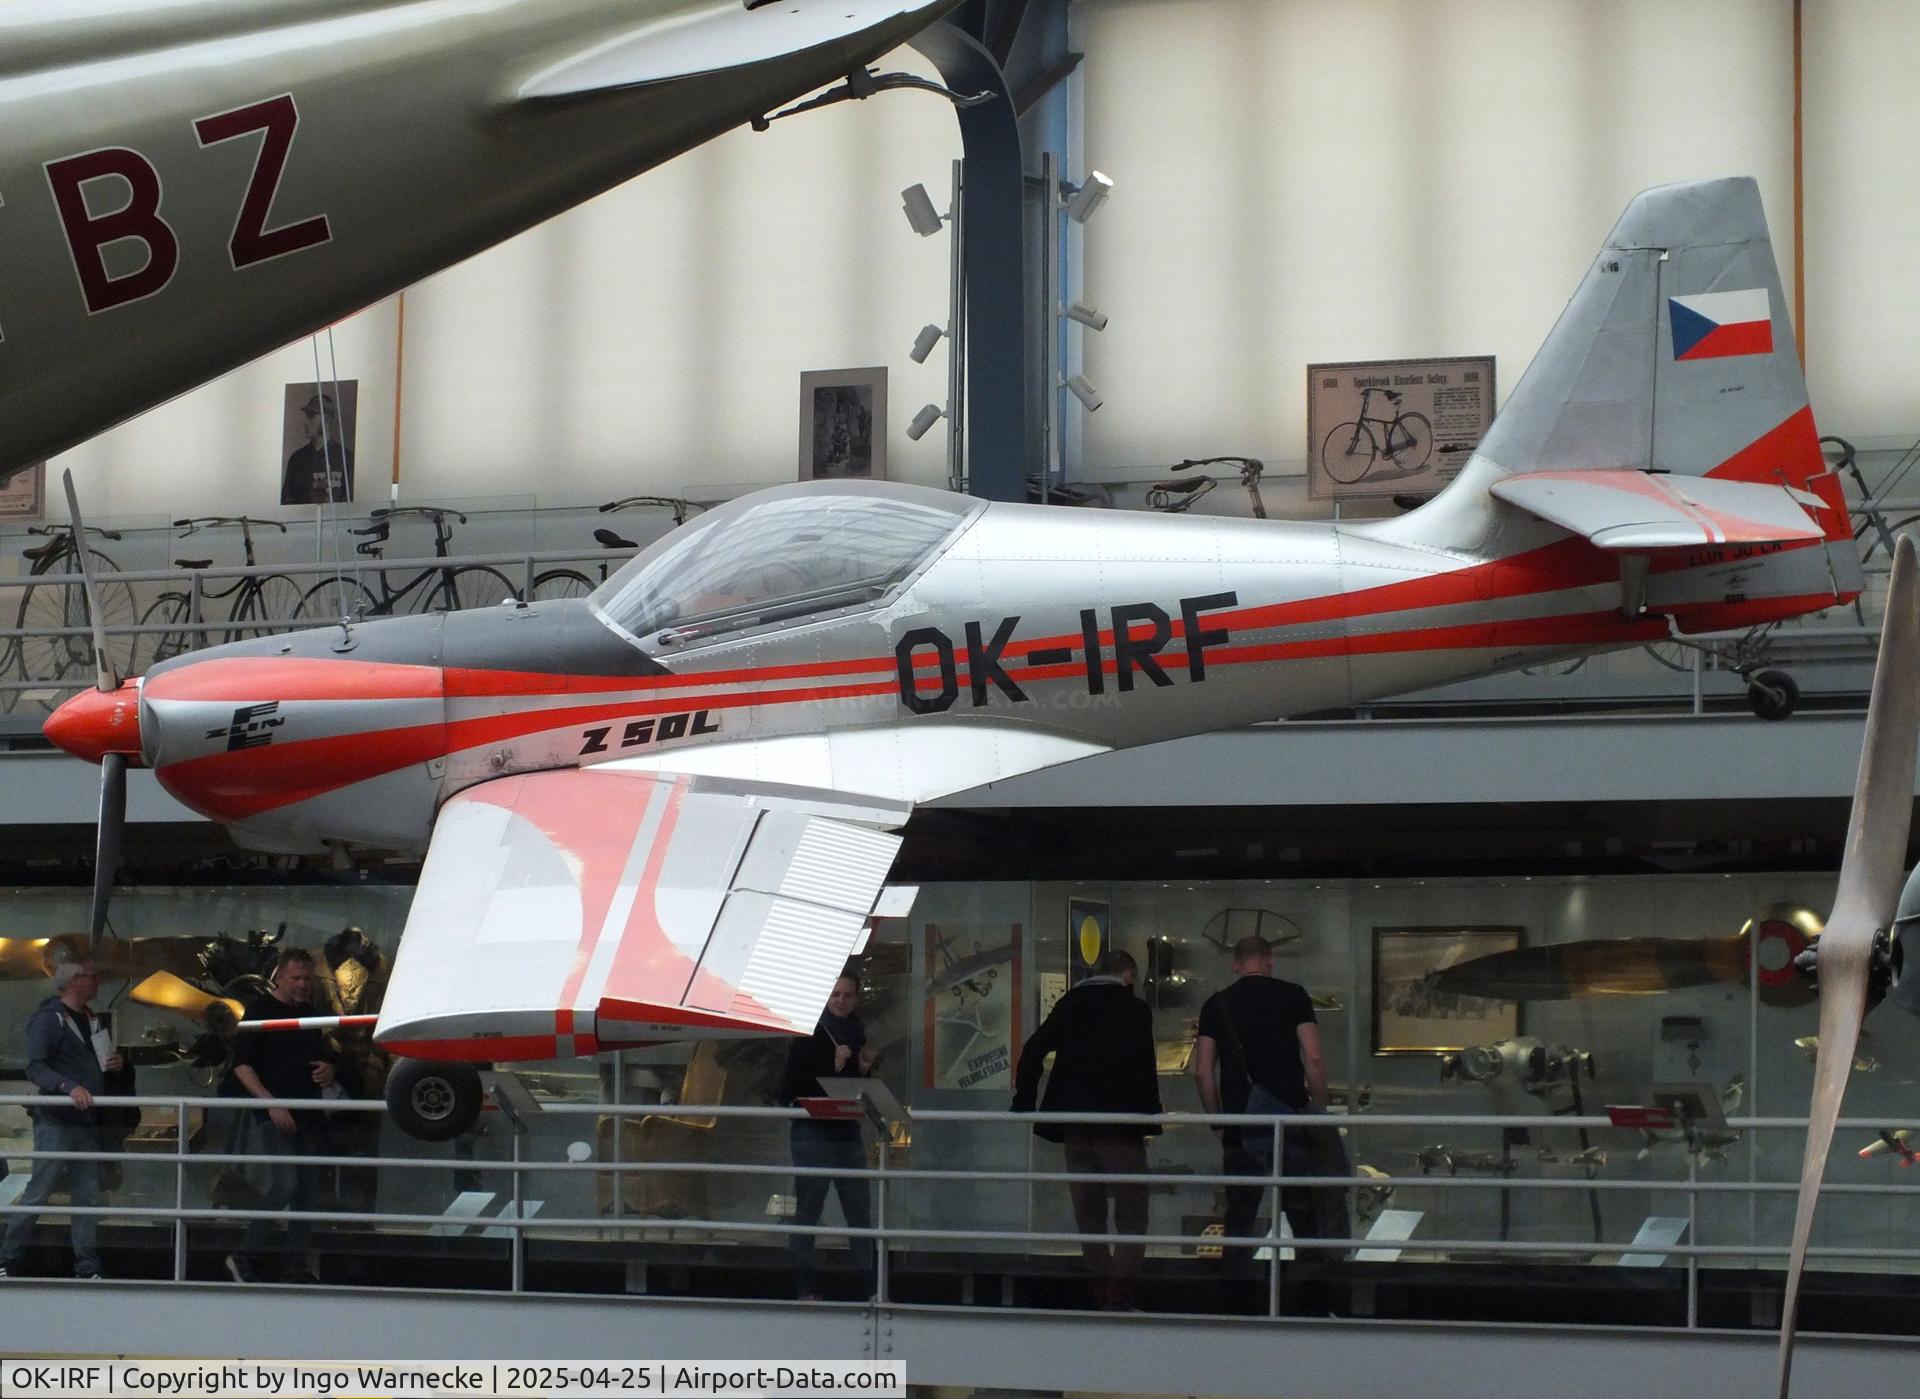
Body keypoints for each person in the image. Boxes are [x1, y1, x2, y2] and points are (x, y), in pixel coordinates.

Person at [1011, 948, 1161, 1310]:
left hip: (1075, 1130)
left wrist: (1024, 1102)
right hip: (1120, 1129)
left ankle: (1100, 1297)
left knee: (1090, 1218)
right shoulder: (1135, 1010)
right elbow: (1142, 1067)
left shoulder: (1069, 1004)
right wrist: (1149, 1117)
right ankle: (1118, 1298)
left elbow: (1033, 1051)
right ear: (1128, 975)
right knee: (1131, 1216)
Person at [1192, 934, 1348, 1277]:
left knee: (1240, 1215)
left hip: (1240, 1123)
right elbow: (1315, 1057)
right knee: (1302, 1212)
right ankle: (1309, 1298)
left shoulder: (1216, 1004)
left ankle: (1235, 1300)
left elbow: (1203, 1072)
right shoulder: (1293, 995)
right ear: (1270, 960)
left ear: (1236, 964)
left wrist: (1217, 1122)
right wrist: (1317, 1112)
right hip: (1289, 1121)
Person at [222, 946, 342, 1283]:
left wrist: (328, 1070)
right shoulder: (260, 1010)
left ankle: (295, 1264)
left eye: (307, 978)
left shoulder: (311, 1014)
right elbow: (241, 1064)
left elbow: (321, 1056)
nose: (303, 985)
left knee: (305, 1188)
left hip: (307, 1113)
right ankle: (246, 1252)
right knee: (286, 1182)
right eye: (296, 978)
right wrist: (269, 1103)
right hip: (274, 1113)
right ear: (281, 976)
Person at [1, 960, 122, 1279]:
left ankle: (85, 1264)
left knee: (85, 1194)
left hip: (83, 1119)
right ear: (74, 982)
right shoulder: (50, 1019)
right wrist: (69, 1086)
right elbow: (36, 1067)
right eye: (92, 976)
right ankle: (7, 1259)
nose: (97, 982)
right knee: (42, 1190)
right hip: (58, 1119)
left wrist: (114, 1064)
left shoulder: (89, 1019)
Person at [778, 972, 876, 1300]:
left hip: (845, 1131)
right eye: (835, 994)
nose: (840, 1000)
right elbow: (789, 1088)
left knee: (859, 1213)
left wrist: (861, 1069)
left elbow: (853, 1088)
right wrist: (832, 1067)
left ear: (856, 999)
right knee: (808, 1211)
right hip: (814, 1132)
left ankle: (872, 1288)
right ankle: (804, 1287)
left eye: (847, 995)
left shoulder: (855, 1030)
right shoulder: (809, 1033)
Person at [280, 392, 354, 505]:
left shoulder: (346, 458)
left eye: (310, 416)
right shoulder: (297, 459)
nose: (304, 422)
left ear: (326, 420)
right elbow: (286, 503)